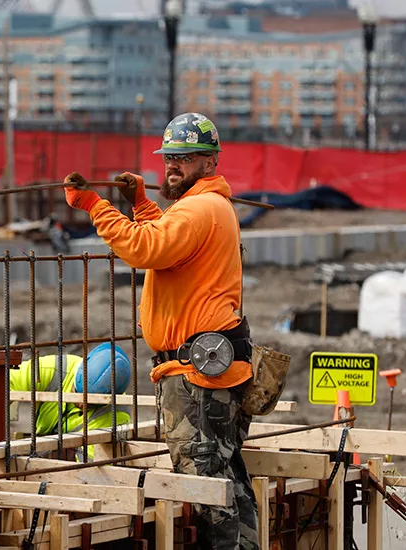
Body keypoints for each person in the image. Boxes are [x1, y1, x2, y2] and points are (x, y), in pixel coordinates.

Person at [61, 112, 258, 549]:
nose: (173, 165)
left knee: (207, 489)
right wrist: (140, 204)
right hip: (207, 369)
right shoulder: (206, 206)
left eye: (184, 158)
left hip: (196, 378)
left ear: (210, 161)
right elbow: (168, 244)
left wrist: (95, 206)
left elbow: (146, 247)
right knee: (226, 478)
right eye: (169, 157)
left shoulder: (199, 208)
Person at [9, 342, 132, 460]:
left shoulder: (115, 417)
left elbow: (92, 469)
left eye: (91, 403)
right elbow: (3, 383)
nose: (81, 404)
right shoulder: (53, 369)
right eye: (77, 393)